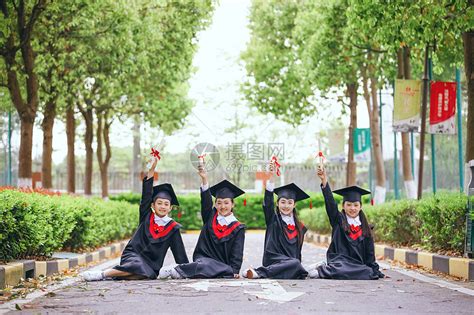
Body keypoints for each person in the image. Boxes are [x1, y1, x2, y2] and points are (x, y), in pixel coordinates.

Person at [82, 157, 188, 281]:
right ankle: (102, 274)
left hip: (151, 265)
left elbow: (179, 253)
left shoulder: (173, 228)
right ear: (153, 205)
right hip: (133, 255)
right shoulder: (146, 216)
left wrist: (184, 270)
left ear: (170, 208)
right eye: (159, 203)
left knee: (146, 275)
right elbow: (146, 196)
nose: (163, 206)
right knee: (137, 266)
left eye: (166, 204)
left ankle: (114, 274)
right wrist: (151, 170)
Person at [159, 163, 245, 279]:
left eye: (226, 202)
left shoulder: (238, 227)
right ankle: (177, 270)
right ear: (215, 204)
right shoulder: (210, 216)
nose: (222, 206)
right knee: (206, 265)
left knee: (224, 270)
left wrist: (235, 270)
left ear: (232, 204)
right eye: (219, 202)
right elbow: (206, 202)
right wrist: (204, 179)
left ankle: (180, 270)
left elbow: (237, 251)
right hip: (204, 258)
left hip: (222, 265)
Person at [307, 164, 385, 280]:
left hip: (357, 265)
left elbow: (369, 253)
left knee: (368, 272)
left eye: (355, 205)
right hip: (340, 262)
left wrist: (373, 268)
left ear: (360, 206)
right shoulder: (338, 221)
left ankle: (327, 270)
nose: (352, 208)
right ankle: (323, 270)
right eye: (348, 205)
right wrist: (324, 181)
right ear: (343, 206)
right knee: (342, 268)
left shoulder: (365, 227)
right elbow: (330, 204)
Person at [243, 159, 308, 279]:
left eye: (289, 202)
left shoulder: (300, 227)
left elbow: (298, 251)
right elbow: (267, 204)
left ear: (294, 205)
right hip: (273, 259)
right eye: (283, 202)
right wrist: (271, 177)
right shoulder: (273, 220)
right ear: (277, 204)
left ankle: (273, 272)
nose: (286, 206)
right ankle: (259, 272)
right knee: (295, 264)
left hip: (291, 262)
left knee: (296, 265)